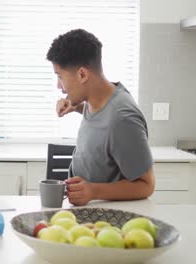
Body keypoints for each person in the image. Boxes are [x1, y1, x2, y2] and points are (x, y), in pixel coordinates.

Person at [46, 29, 155, 206]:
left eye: (60, 77)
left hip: (107, 219)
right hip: (87, 211)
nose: (59, 86)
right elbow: (104, 121)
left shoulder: (123, 119)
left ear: (82, 74)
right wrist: (76, 107)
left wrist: (93, 191)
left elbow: (146, 185)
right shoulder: (97, 99)